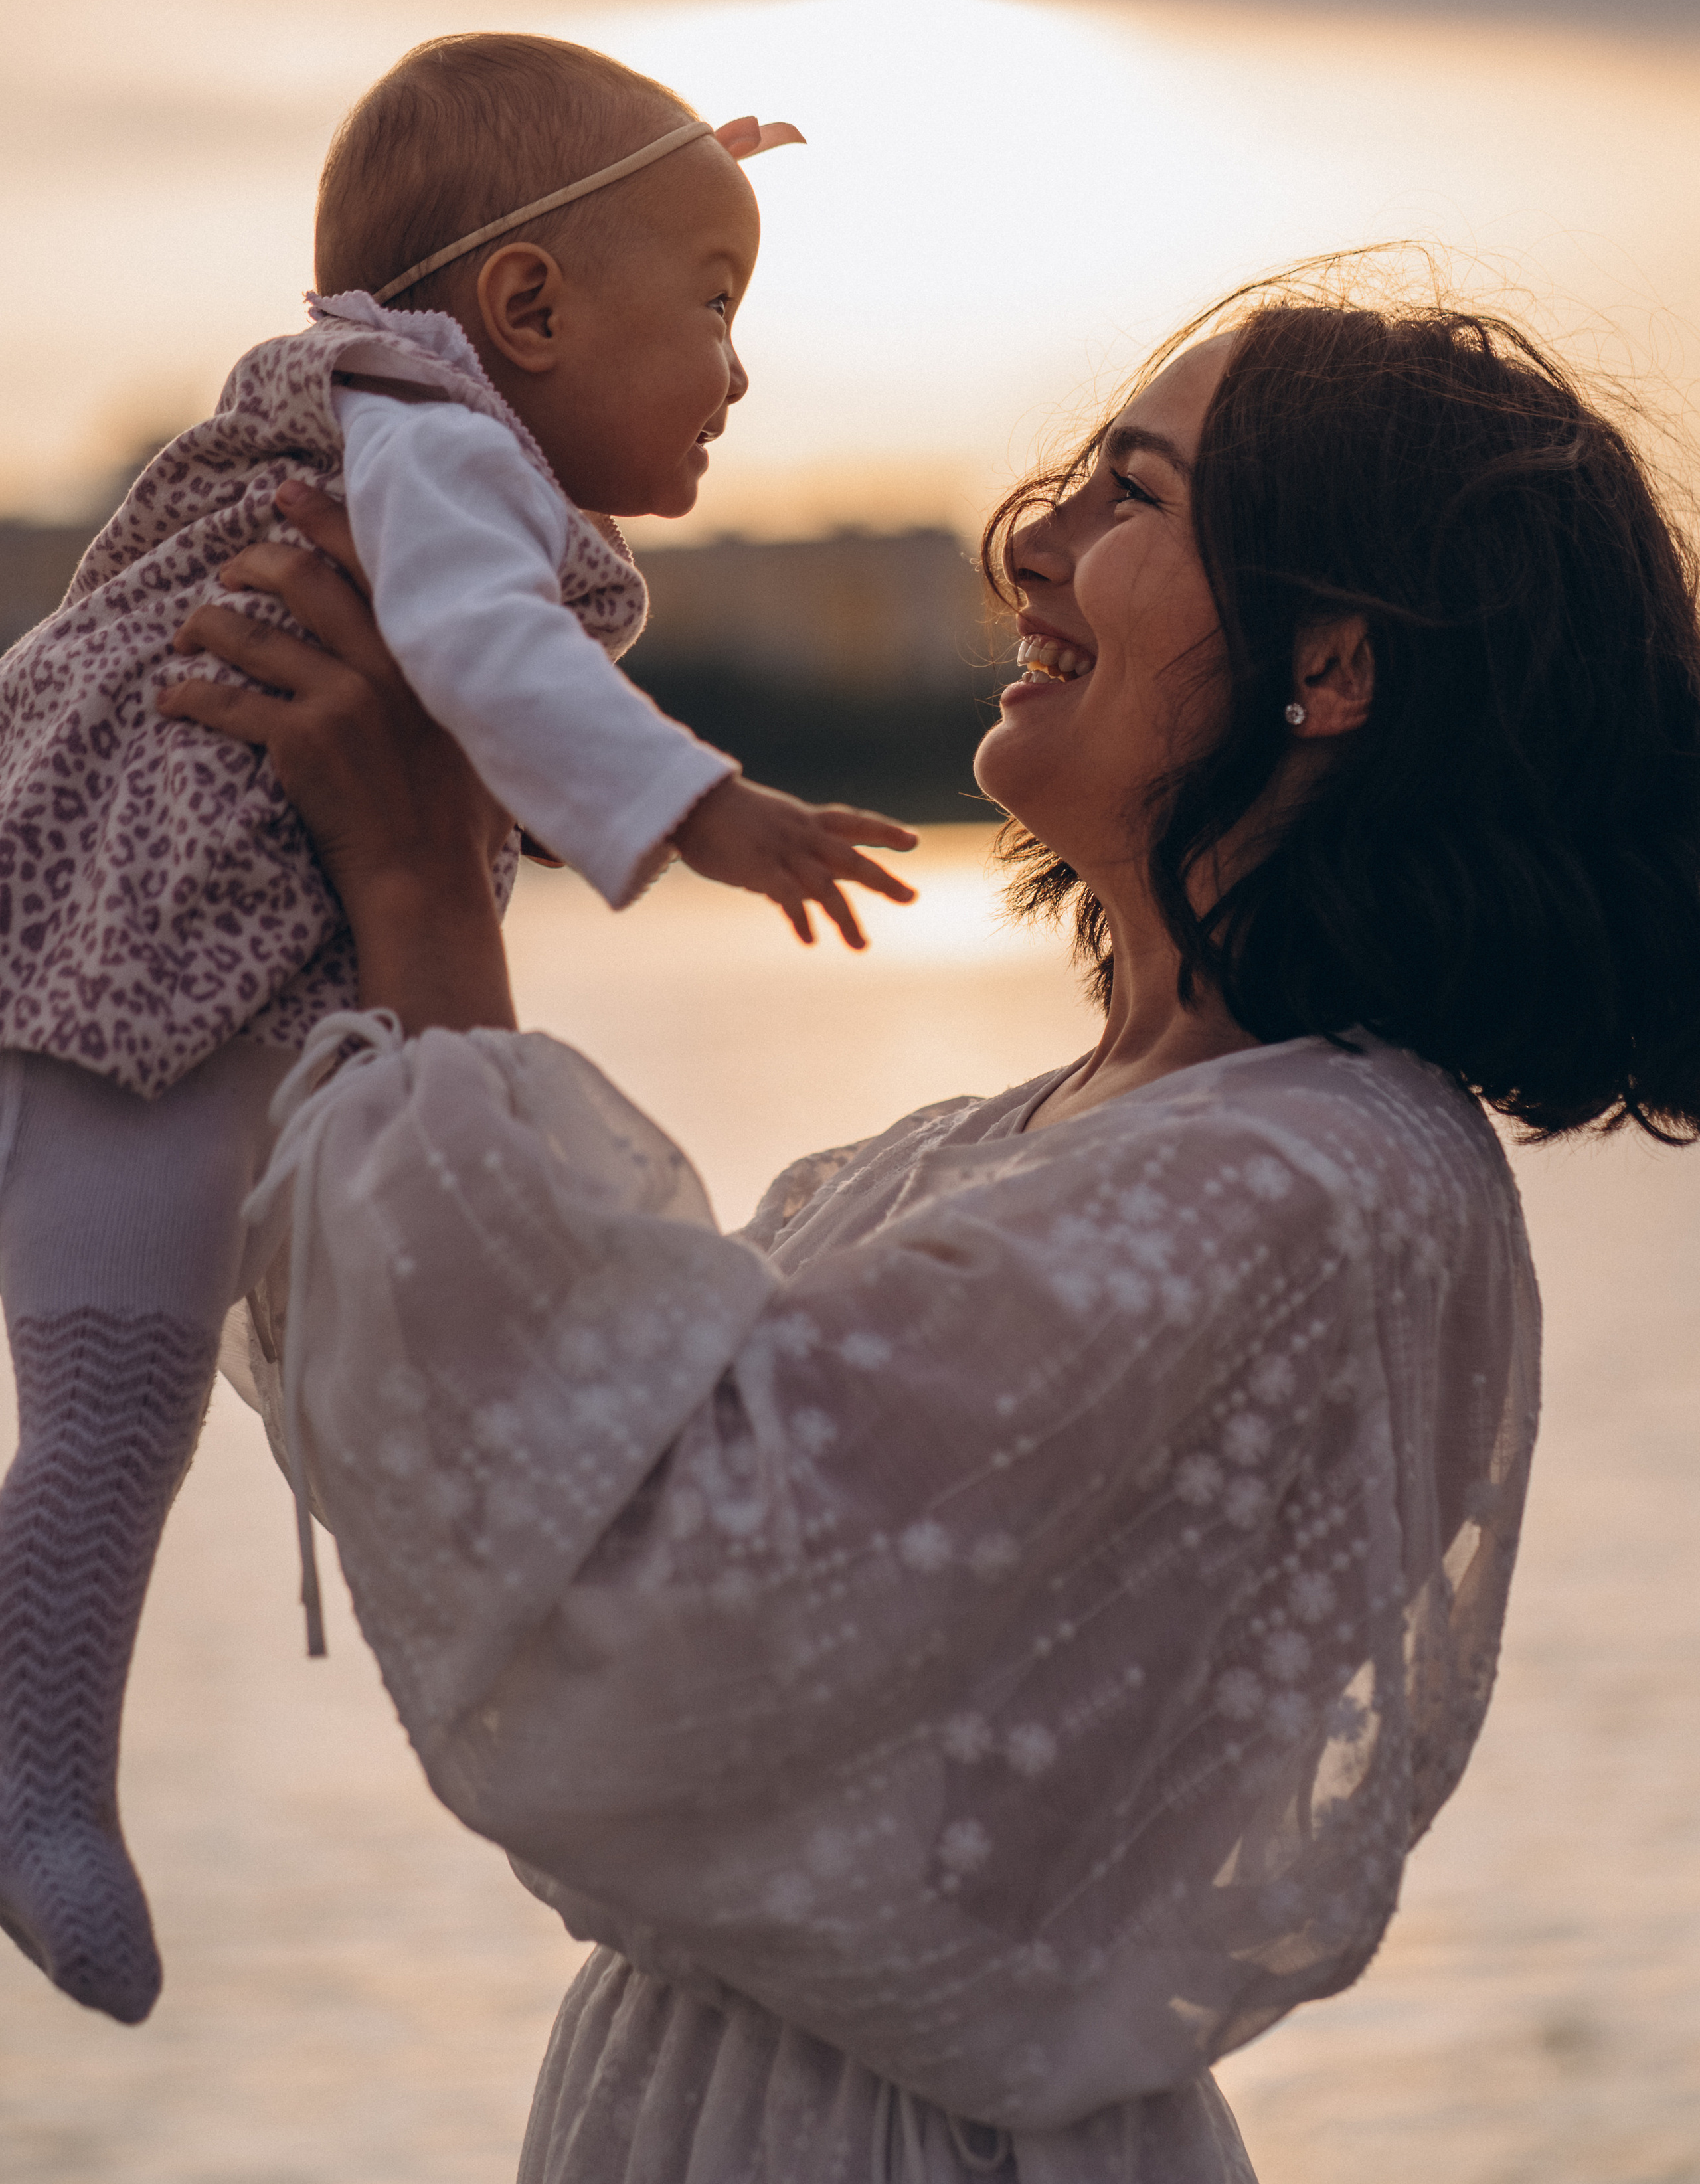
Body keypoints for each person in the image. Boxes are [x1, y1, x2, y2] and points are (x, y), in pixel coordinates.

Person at [164, 277, 1700, 2182]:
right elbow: (535, 1456)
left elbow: (669, 1630)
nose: (1030, 539)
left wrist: (425, 892)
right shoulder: (1046, 1140)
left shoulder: (1318, 1185)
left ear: (1341, 662)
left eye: (1130, 496)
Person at [0, 31, 915, 2025]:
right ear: (523, 307)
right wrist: (701, 800)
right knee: (114, 1404)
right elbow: (482, 650)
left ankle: (38, 1773)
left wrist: (685, 170)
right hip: (129, 979)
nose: (740, 367)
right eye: (714, 300)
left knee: (105, 1405)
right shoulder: (436, 443)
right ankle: (39, 1778)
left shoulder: (383, 416)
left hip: (94, 956)